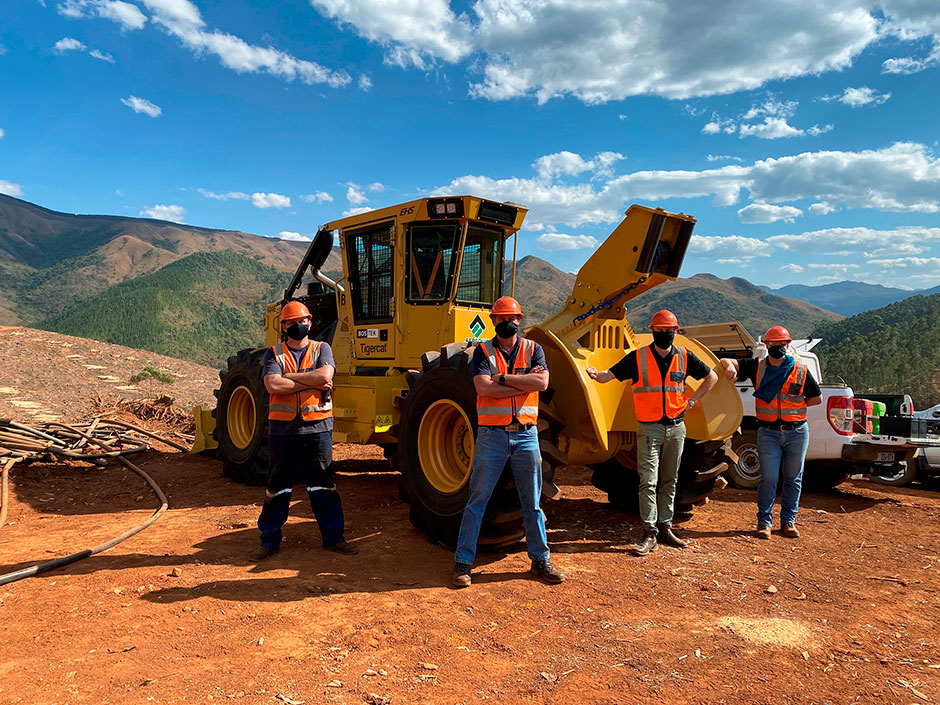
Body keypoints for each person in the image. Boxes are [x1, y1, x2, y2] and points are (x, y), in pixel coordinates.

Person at [452, 296, 564, 588]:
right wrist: (520, 380)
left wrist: (500, 379)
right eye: (501, 319)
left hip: (527, 436)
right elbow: (481, 387)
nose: (506, 323)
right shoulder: (482, 352)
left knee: (533, 502)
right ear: (493, 321)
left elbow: (542, 384)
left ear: (520, 319)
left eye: (511, 318)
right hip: (492, 436)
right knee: (477, 501)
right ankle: (463, 564)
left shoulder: (533, 349)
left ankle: (541, 560)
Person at [586, 310, 717, 556]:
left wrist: (692, 400)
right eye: (659, 331)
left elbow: (711, 377)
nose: (664, 335)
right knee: (648, 481)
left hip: (677, 428)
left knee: (670, 480)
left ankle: (665, 527)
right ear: (652, 331)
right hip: (649, 429)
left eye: (668, 331)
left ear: (676, 332)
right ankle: (649, 532)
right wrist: (594, 374)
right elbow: (608, 377)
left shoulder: (685, 357)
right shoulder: (638, 358)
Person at [250, 301, 357, 560]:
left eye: (303, 320)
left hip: (317, 429)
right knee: (278, 487)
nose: (299, 325)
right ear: (283, 326)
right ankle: (269, 540)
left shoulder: (323, 348)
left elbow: (324, 376)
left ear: (310, 322)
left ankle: (333, 537)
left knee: (323, 485)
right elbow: (273, 385)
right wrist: (309, 378)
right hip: (283, 431)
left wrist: (293, 378)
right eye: (293, 322)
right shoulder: (273, 354)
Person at [718, 326, 822, 540]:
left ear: (788, 343)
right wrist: (728, 366)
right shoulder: (757, 367)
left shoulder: (800, 370)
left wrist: (793, 407)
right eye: (773, 344)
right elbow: (727, 361)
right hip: (768, 432)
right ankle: (764, 523)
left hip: (796, 431)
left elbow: (816, 398)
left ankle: (788, 522)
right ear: (766, 345)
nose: (777, 348)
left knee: (793, 478)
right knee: (769, 478)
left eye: (781, 344)